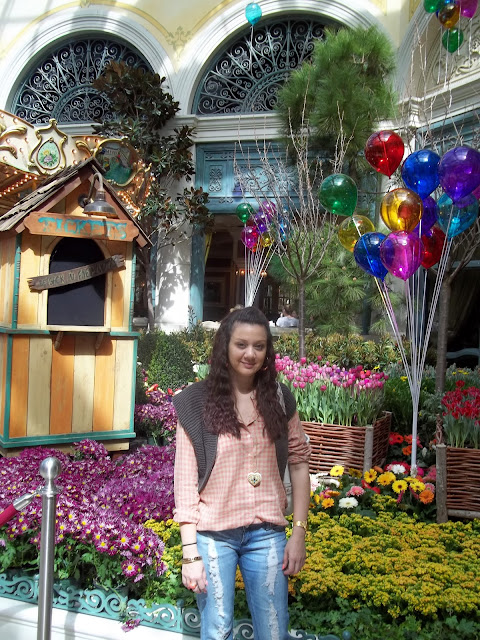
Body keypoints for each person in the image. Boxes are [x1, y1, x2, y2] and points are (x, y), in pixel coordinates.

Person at [173, 306, 311, 640]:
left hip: (267, 535)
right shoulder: (195, 402)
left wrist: (299, 533)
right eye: (241, 344)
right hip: (213, 535)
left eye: (259, 346)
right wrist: (190, 553)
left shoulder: (279, 398)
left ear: (267, 351)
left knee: (274, 629)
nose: (250, 354)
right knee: (218, 629)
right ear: (225, 346)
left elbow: (299, 463)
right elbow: (185, 483)